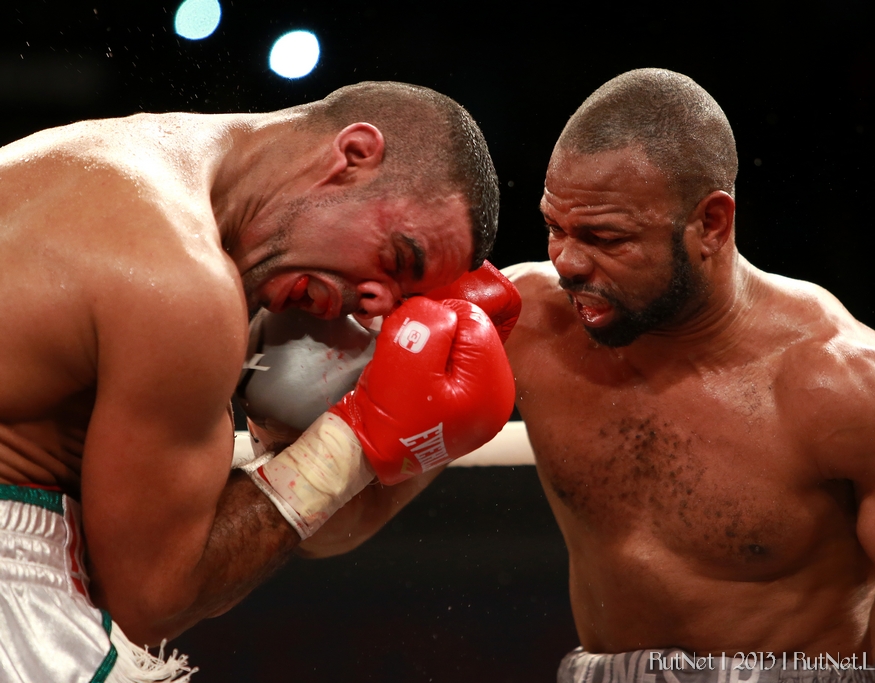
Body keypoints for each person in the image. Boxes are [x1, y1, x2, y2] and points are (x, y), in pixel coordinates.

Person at [502, 69, 875, 682]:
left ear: (712, 225)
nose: (565, 260)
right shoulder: (528, 325)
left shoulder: (847, 382)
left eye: (604, 236)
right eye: (554, 227)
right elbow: (363, 500)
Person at [0, 81, 516, 681]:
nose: (376, 304)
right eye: (399, 260)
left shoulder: (105, 154)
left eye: (401, 298)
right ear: (352, 155)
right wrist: (354, 439)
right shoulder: (183, 284)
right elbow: (155, 597)